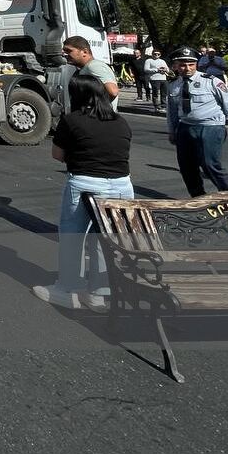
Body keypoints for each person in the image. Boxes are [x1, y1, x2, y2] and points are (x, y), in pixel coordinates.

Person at [32, 75, 133, 310]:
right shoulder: (120, 120)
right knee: (104, 239)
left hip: (86, 184)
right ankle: (99, 292)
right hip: (121, 185)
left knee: (73, 236)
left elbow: (58, 155)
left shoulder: (72, 120)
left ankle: (68, 287)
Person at [167, 46, 228, 197]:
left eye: (191, 64)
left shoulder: (211, 81)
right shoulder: (174, 85)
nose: (187, 68)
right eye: (183, 64)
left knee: (210, 164)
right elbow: (172, 112)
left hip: (210, 126)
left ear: (196, 64)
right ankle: (198, 198)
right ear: (176, 66)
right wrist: (172, 131)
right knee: (186, 166)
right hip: (185, 127)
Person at [62, 36, 119, 109]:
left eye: (69, 51)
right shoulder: (86, 67)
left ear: (85, 52)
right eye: (64, 51)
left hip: (98, 118)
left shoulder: (93, 66)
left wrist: (92, 108)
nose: (65, 55)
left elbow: (113, 92)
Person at [143, 49, 170, 114]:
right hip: (154, 79)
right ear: (152, 54)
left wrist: (165, 70)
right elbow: (146, 69)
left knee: (164, 93)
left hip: (163, 78)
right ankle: (156, 106)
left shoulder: (162, 61)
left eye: (158, 54)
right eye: (155, 54)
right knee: (155, 93)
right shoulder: (149, 60)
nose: (156, 55)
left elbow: (168, 69)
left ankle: (164, 106)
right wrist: (156, 70)